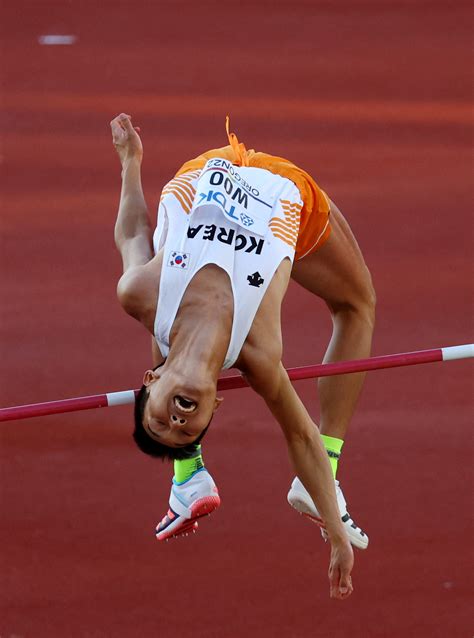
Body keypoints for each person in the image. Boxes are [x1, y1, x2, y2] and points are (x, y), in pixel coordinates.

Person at [111, 112, 376, 600]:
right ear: (215, 406)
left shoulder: (141, 293)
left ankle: (187, 471)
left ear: (149, 380)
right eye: (185, 428)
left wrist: (131, 162)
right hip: (283, 189)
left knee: (166, 327)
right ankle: (328, 470)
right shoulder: (258, 353)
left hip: (204, 173)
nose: (175, 420)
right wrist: (336, 532)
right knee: (358, 305)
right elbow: (299, 433)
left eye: (160, 420)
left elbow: (132, 235)